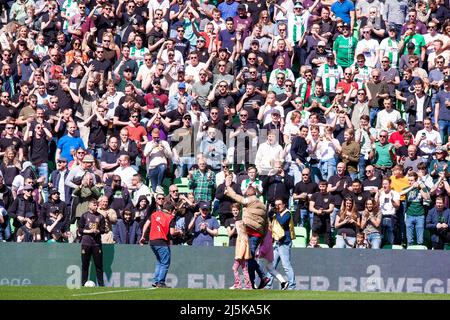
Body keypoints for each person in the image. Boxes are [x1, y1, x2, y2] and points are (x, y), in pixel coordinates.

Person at [140, 202, 177, 288]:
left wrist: (143, 236)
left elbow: (146, 224)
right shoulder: (170, 217)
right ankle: (161, 282)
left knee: (159, 262)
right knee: (165, 262)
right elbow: (172, 232)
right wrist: (179, 231)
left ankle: (156, 281)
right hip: (161, 242)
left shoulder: (154, 215)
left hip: (152, 241)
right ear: (170, 210)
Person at [268, 198, 296, 290]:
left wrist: (275, 213)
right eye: (276, 205)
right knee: (271, 266)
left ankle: (292, 286)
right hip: (277, 242)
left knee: (286, 266)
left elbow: (282, 222)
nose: (277, 206)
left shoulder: (287, 213)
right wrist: (270, 212)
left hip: (284, 242)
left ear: (284, 204)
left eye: (279, 204)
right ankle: (267, 285)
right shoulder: (277, 213)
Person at [78, 199, 105, 287]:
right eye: (94, 205)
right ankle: (83, 283)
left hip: (96, 244)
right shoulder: (84, 216)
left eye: (97, 205)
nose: (96, 206)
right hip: (86, 244)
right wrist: (89, 231)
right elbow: (80, 229)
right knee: (85, 265)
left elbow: (103, 230)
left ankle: (101, 285)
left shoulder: (101, 217)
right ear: (89, 205)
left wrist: (98, 231)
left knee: (99, 265)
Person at [400, 172, 430, 247]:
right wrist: (412, 187)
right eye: (409, 180)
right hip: (409, 215)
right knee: (409, 239)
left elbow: (426, 197)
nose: (410, 182)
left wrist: (419, 188)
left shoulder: (421, 188)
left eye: (412, 180)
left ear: (416, 180)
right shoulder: (407, 188)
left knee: (420, 239)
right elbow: (400, 193)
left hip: (420, 215)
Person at [229, 220, 252, 290]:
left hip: (240, 256)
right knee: (244, 269)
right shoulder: (244, 236)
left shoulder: (242, 237)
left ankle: (238, 284)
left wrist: (239, 256)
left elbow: (242, 248)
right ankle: (248, 285)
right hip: (243, 257)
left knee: (235, 268)